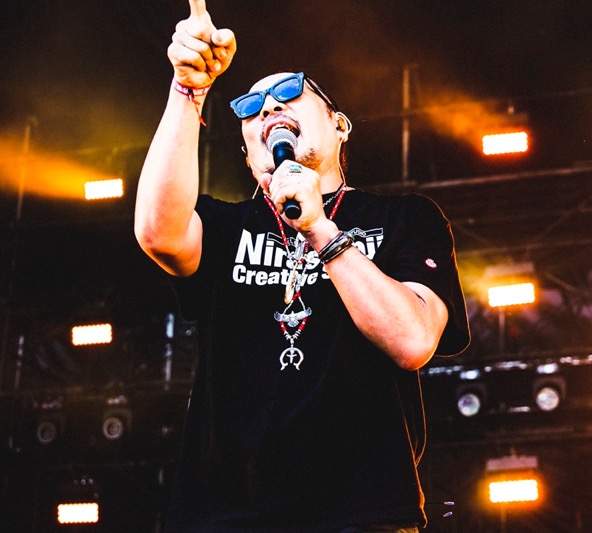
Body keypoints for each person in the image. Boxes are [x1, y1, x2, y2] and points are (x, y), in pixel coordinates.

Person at [134, 1, 470, 531]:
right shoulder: (225, 228)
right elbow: (157, 232)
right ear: (249, 156)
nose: (268, 107)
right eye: (250, 107)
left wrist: (320, 230)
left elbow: (412, 341)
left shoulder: (405, 218)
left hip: (360, 511)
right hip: (224, 513)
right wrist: (188, 89)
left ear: (339, 126)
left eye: (290, 92)